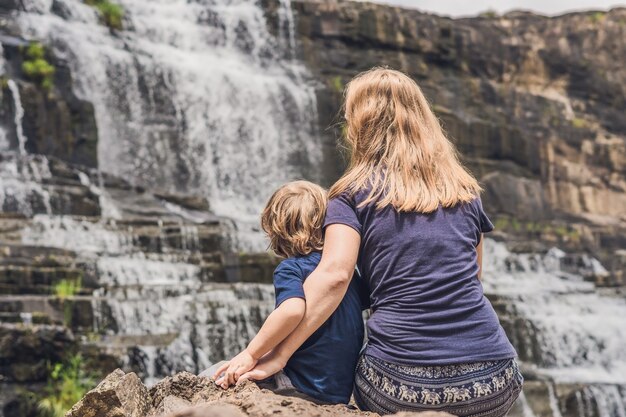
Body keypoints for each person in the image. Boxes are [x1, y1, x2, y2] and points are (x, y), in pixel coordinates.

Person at [233, 68, 523, 416]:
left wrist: (274, 354)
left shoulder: (349, 195)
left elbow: (335, 276)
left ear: (361, 122)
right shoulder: (464, 190)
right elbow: (473, 277)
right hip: (493, 380)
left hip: (400, 386)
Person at [206, 180, 365, 405]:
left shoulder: (291, 269)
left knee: (213, 374)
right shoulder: (349, 272)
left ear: (275, 230)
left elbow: (291, 311)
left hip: (298, 384)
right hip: (338, 390)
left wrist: (250, 354)